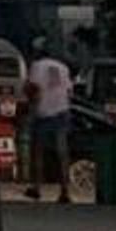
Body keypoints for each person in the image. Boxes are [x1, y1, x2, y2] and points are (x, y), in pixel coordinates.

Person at [24, 38, 74, 204]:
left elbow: (33, 90)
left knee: (38, 151)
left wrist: (30, 110)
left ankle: (37, 187)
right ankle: (65, 190)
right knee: (62, 152)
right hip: (62, 111)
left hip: (44, 113)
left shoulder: (36, 66)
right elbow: (69, 92)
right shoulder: (63, 68)